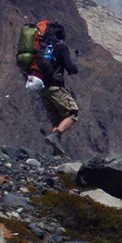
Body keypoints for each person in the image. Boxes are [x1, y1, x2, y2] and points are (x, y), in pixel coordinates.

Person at [37, 21, 80, 155]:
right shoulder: (61, 47)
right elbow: (69, 68)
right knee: (73, 113)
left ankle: (55, 152)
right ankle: (55, 136)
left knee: (56, 119)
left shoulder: (43, 47)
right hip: (55, 86)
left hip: (42, 88)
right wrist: (75, 66)